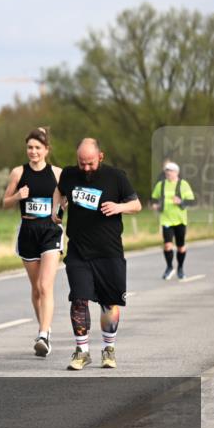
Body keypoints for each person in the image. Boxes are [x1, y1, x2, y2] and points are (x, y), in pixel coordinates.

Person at [53, 138, 141, 371]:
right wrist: (57, 209)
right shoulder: (70, 174)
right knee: (79, 299)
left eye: (90, 163)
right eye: (82, 163)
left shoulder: (116, 177)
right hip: (79, 251)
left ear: (100, 156)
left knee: (108, 303)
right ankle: (82, 351)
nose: (86, 168)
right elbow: (59, 190)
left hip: (109, 251)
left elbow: (136, 204)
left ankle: (108, 349)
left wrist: (119, 207)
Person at [1, 127, 63, 357]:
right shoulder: (18, 173)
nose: (33, 151)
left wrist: (61, 210)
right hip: (27, 231)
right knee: (36, 288)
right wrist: (17, 196)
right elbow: (5, 202)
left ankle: (44, 334)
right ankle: (43, 329)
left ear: (46, 150)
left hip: (50, 231)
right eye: (30, 147)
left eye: (38, 148)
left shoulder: (57, 173)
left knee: (46, 286)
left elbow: (64, 201)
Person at [151, 161, 196, 280]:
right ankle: (169, 267)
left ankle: (180, 268)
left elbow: (192, 201)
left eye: (170, 171)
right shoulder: (161, 185)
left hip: (180, 220)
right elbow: (153, 199)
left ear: (177, 172)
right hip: (166, 219)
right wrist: (155, 205)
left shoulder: (183, 184)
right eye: (167, 171)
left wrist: (181, 201)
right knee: (167, 245)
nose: (168, 173)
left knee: (181, 246)